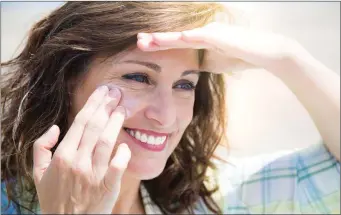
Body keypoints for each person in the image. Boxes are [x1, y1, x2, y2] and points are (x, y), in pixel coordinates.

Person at [1, 2, 339, 214]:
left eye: (184, 85)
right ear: (67, 80)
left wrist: (288, 58)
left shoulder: (211, 199)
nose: (165, 117)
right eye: (138, 77)